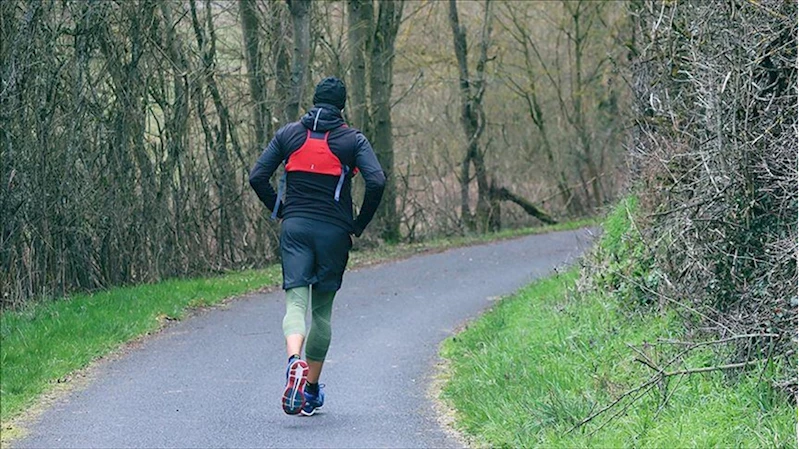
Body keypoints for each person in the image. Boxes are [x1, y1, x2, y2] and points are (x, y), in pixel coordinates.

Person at [248, 77, 385, 416]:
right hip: (334, 233)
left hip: (295, 227)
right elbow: (377, 180)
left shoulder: (290, 134)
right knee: (322, 312)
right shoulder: (353, 139)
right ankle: (309, 391)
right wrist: (359, 224)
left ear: (314, 101)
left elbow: (257, 176)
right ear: (342, 106)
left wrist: (280, 209)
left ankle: (293, 360)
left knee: (295, 302)